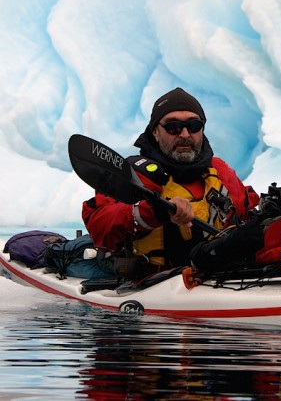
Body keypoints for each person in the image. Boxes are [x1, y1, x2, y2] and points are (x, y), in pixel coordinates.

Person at [82, 87, 260, 274]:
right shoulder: (134, 175)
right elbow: (100, 225)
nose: (184, 134)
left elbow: (247, 211)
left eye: (193, 126)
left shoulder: (220, 172)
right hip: (153, 282)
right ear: (155, 132)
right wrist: (156, 211)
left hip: (215, 275)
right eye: (172, 127)